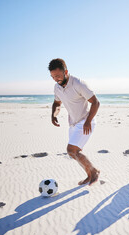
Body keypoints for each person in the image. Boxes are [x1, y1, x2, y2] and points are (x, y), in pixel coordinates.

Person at [49, 58, 100, 186]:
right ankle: (89, 174)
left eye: (58, 76)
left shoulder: (78, 84)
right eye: (53, 77)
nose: (56, 79)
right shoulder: (57, 87)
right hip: (72, 123)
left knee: (72, 150)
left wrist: (88, 121)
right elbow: (56, 103)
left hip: (86, 121)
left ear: (66, 71)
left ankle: (94, 172)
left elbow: (95, 102)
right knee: (74, 153)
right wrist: (54, 115)